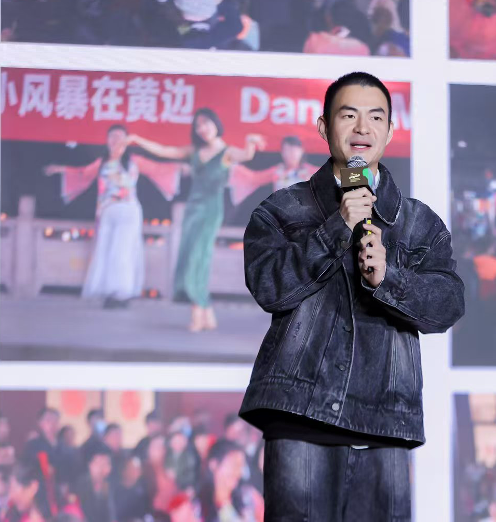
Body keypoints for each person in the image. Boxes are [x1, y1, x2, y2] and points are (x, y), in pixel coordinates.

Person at [240, 72, 465, 521]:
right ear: (324, 127)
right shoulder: (281, 210)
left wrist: (388, 278)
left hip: (384, 420)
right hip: (300, 415)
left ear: (390, 131)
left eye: (375, 117)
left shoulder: (418, 223)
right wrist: (335, 229)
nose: (363, 128)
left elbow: (447, 305)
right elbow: (268, 286)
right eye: (349, 115)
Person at [127, 109, 266, 332]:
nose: (202, 129)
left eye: (206, 123)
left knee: (198, 259)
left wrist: (251, 141)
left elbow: (247, 155)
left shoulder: (227, 152)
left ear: (215, 124)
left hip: (210, 211)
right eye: (198, 126)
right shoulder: (194, 151)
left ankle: (197, 312)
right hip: (192, 210)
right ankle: (207, 312)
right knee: (187, 256)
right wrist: (138, 140)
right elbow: (165, 151)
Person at [44, 124, 181, 309]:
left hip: (128, 211)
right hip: (107, 212)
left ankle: (121, 293)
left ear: (127, 141)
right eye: (112, 136)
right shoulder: (102, 163)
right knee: (106, 250)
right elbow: (82, 173)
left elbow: (158, 168)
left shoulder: (134, 161)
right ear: (107, 140)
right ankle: (108, 291)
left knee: (122, 251)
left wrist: (181, 168)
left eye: (120, 136)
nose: (115, 140)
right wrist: (60, 169)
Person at [228, 135, 321, 205]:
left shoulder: (310, 171)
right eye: (287, 150)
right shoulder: (277, 171)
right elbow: (254, 178)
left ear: (301, 151)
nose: (291, 153)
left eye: (294, 150)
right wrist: (231, 165)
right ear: (282, 152)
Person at [198, 439, 263, 522]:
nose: (238, 472)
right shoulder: (197, 508)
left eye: (241, 466)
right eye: (234, 465)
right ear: (214, 465)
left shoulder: (249, 497)